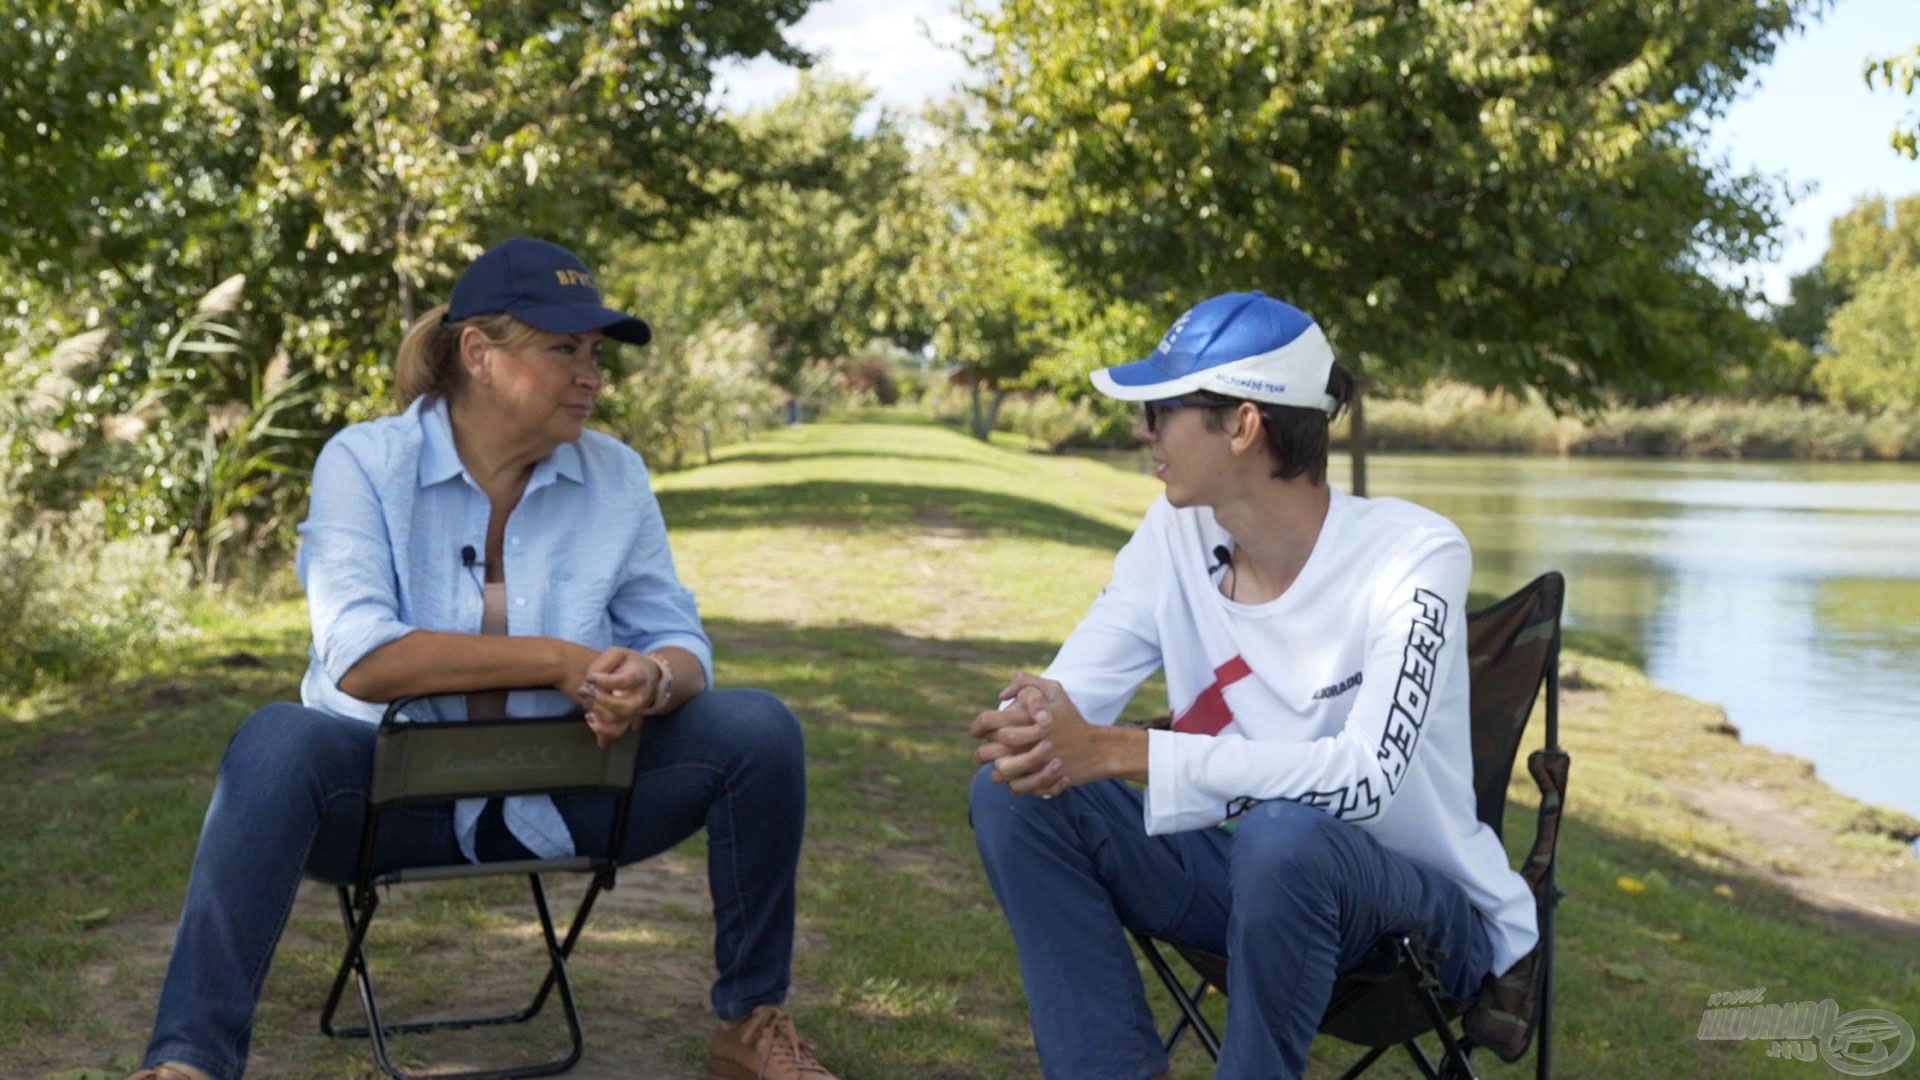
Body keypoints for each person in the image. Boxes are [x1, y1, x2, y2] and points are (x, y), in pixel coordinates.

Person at [131, 237, 837, 1080]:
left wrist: (652, 680)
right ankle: (189, 1064)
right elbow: (359, 658)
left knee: (758, 729)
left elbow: (682, 641)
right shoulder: (363, 461)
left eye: (596, 354)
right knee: (277, 741)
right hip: (383, 800)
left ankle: (749, 1026)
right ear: (480, 355)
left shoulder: (617, 476)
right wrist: (554, 662)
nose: (591, 375)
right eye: (563, 349)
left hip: (575, 787)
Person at [966, 291, 1537, 1079]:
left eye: (1162, 409)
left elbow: (1365, 780)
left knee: (1285, 836)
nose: (1143, 432)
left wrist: (1124, 751)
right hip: (1242, 880)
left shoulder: (1413, 554)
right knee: (1013, 794)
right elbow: (1076, 688)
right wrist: (1027, 723)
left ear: (1241, 424)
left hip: (1414, 918)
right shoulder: (1175, 533)